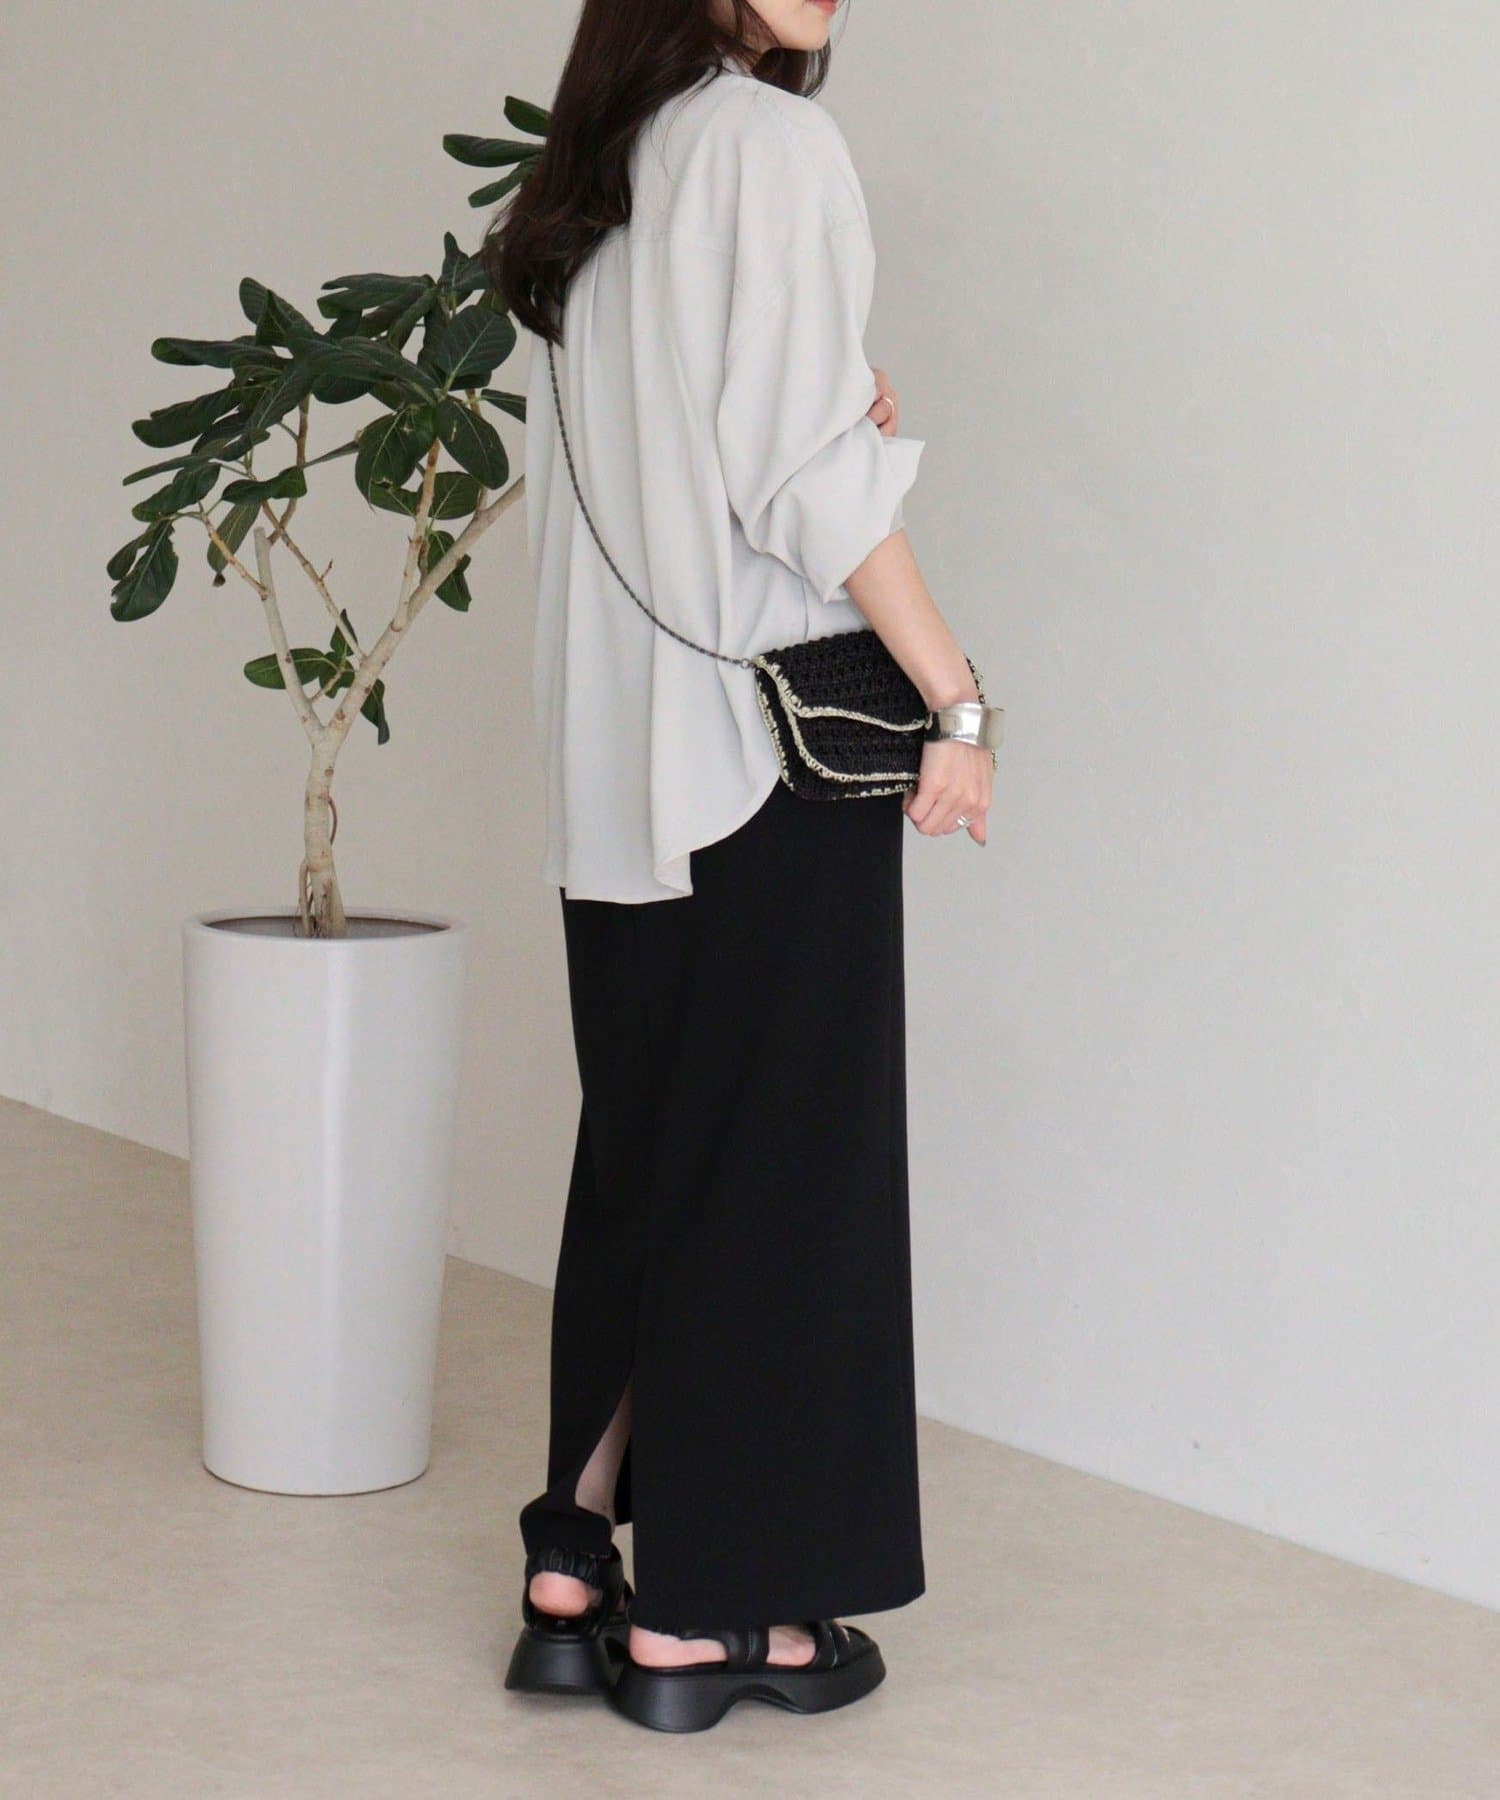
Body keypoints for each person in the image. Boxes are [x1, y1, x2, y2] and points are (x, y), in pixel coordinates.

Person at [481, 0, 998, 1734]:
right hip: (756, 762)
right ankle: (710, 1625)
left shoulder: (596, 169)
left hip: (615, 773)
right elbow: (806, 486)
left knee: (652, 1169)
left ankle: (574, 1567)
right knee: (776, 1190)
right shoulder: (768, 145)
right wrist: (958, 699)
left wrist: (825, 404)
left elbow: (654, 463)